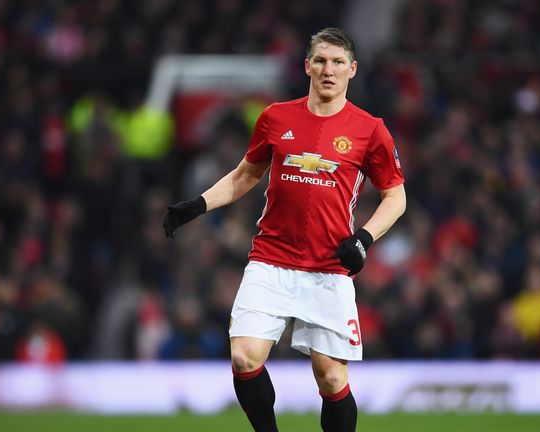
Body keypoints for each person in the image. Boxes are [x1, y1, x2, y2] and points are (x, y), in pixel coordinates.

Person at [163, 27, 405, 432]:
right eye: (322, 61)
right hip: (271, 260)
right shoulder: (276, 117)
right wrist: (196, 205)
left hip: (328, 267)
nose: (329, 70)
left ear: (353, 70)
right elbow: (244, 176)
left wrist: (363, 239)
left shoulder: (370, 129)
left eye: (338, 62)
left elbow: (395, 198)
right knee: (244, 357)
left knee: (331, 379)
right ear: (307, 65)